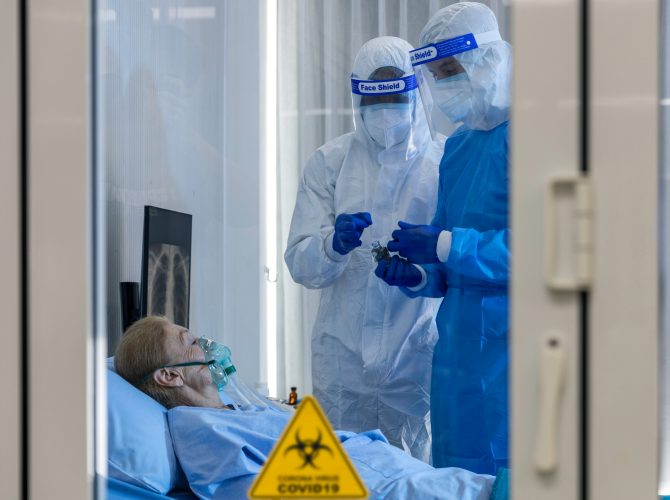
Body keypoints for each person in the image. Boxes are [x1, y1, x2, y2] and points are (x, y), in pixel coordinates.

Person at [114, 316, 507, 500]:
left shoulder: (231, 409)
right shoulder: (198, 431)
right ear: (169, 376)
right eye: (191, 342)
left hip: (398, 475)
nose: (207, 345)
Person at [283, 36, 444, 462]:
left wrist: (420, 275)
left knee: (412, 475)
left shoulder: (443, 162)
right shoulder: (329, 163)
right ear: (358, 100)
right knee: (342, 473)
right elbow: (299, 261)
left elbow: (458, 265)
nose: (385, 111)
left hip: (414, 357)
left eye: (396, 96)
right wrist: (332, 247)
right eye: (374, 101)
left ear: (415, 91)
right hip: (342, 361)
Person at [374, 2, 512, 474]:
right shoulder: (457, 147)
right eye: (436, 73)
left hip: (518, 349)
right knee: (454, 473)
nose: (444, 83)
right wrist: (416, 275)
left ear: (488, 60)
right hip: (457, 355)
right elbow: (447, 263)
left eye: (450, 69)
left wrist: (443, 245)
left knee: (515, 471)